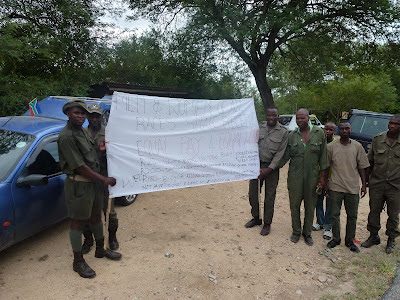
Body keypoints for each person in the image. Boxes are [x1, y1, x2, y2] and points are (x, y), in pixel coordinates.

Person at [58, 99, 121, 279]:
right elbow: (79, 167)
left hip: (92, 184)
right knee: (78, 223)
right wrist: (104, 179)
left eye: (82, 113)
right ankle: (78, 262)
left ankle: (101, 249)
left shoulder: (81, 132)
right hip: (79, 184)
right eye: (76, 112)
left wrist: (101, 149)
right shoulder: (67, 136)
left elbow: (90, 154)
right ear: (68, 114)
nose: (80, 116)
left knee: (95, 217)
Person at [279, 108, 328, 246]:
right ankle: (296, 231)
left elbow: (323, 159)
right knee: (294, 205)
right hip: (295, 176)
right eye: (298, 118)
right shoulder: (292, 136)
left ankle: (307, 233)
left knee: (310, 205)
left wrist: (323, 179)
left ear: (308, 118)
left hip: (312, 177)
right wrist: (270, 168)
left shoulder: (319, 134)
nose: (300, 121)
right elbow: (284, 157)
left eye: (303, 118)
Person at [81, 103, 120, 253]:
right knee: (87, 212)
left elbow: (117, 154)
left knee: (109, 211)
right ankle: (88, 240)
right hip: (87, 178)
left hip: (104, 177)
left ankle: (112, 238)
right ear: (87, 117)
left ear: (101, 117)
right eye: (91, 115)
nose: (94, 118)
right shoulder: (81, 133)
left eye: (97, 115)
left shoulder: (109, 133)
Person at [326, 121, 369, 253]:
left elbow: (362, 166)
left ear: (351, 130)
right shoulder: (331, 147)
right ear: (338, 130)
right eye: (342, 129)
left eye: (347, 128)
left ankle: (350, 240)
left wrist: (364, 184)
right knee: (334, 214)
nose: (344, 131)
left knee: (352, 216)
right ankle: (336, 238)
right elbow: (326, 167)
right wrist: (325, 184)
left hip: (352, 187)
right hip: (335, 186)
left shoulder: (357, 146)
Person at [245, 108, 288, 235]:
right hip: (256, 166)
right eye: (269, 115)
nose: (271, 117)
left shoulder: (283, 132)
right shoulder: (259, 128)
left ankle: (267, 223)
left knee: (269, 197)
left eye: (273, 115)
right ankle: (256, 218)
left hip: (271, 169)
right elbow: (251, 144)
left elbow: (281, 153)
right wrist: (254, 164)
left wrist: (269, 169)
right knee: (253, 194)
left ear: (277, 116)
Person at [361, 115, 400, 254]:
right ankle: (373, 236)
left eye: (396, 124)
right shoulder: (378, 139)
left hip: (395, 187)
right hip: (377, 183)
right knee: (374, 211)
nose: (392, 126)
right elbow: (369, 162)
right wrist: (365, 182)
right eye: (391, 123)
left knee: (393, 214)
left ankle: (391, 239)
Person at [312, 122, 336, 240]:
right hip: (319, 176)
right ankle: (319, 222)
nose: (328, 131)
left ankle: (327, 227)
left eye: (331, 130)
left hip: (332, 178)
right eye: (326, 129)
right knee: (318, 200)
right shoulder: (319, 142)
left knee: (330, 203)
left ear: (334, 131)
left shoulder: (336, 144)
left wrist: (328, 179)